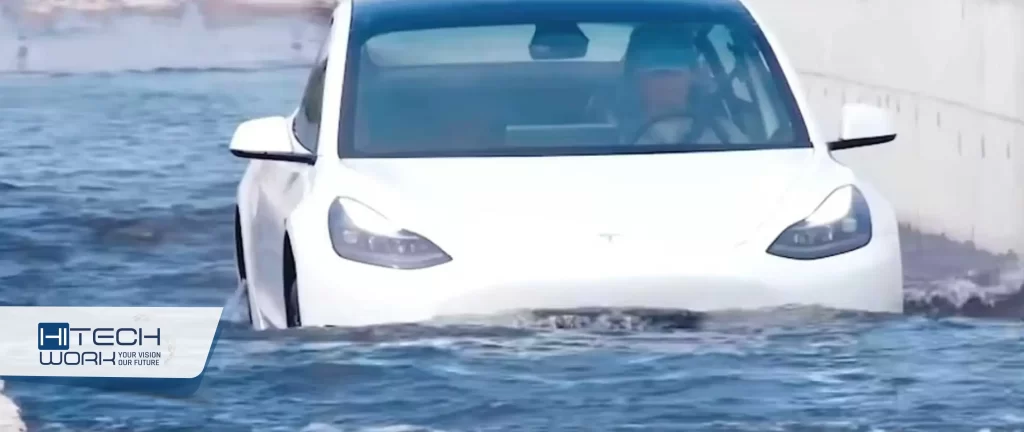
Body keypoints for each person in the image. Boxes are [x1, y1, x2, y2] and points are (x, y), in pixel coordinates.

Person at [593, 25, 749, 146]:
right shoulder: (607, 139)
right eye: (655, 74)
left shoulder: (725, 133)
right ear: (634, 79)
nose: (665, 83)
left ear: (693, 77)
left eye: (674, 74)